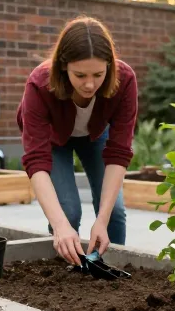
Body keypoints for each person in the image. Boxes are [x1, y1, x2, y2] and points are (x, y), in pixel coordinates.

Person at [17, 16, 138, 266]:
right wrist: (60, 226)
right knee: (68, 212)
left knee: (113, 212)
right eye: (80, 75)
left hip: (95, 136)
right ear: (64, 67)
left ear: (110, 67)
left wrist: (101, 221)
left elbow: (119, 152)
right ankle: (67, 268)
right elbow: (36, 162)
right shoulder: (39, 84)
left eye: (98, 74)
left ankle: (111, 268)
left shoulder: (124, 80)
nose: (90, 84)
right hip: (53, 138)